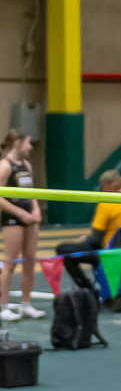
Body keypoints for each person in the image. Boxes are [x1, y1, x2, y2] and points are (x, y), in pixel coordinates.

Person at [55, 170, 121, 295]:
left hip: (111, 255)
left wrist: (85, 240)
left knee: (63, 251)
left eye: (101, 185)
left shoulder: (107, 203)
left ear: (108, 184)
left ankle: (89, 290)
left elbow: (96, 240)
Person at [0, 130, 43, 321]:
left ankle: (26, 304)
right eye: (28, 143)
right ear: (18, 143)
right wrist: (19, 213)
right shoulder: (5, 166)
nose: (30, 147)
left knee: (30, 260)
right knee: (10, 262)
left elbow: (30, 191)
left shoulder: (26, 165)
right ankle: (3, 306)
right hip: (13, 218)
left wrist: (36, 209)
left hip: (29, 217)